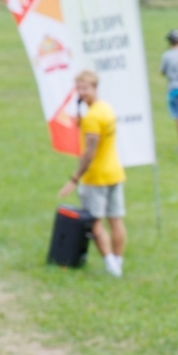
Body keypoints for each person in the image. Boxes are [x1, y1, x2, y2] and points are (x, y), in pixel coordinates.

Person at [58, 70, 126, 278]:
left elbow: (89, 152)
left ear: (95, 88)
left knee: (95, 222)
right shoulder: (105, 108)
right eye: (78, 88)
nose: (81, 92)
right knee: (116, 220)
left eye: (85, 88)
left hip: (96, 177)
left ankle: (111, 265)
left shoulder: (92, 117)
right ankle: (118, 261)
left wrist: (74, 179)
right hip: (114, 172)